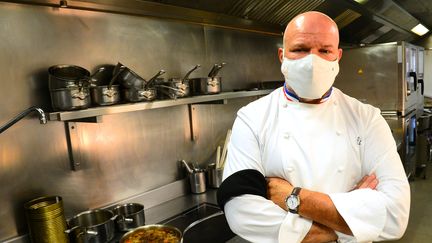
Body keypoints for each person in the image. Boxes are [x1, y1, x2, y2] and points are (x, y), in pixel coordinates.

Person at [216, 11, 410, 243]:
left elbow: (395, 216)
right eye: (300, 49)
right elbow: (241, 212)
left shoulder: (367, 119)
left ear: (338, 56)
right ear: (282, 56)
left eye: (324, 51)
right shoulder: (253, 118)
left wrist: (292, 197)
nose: (312, 61)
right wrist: (350, 225)